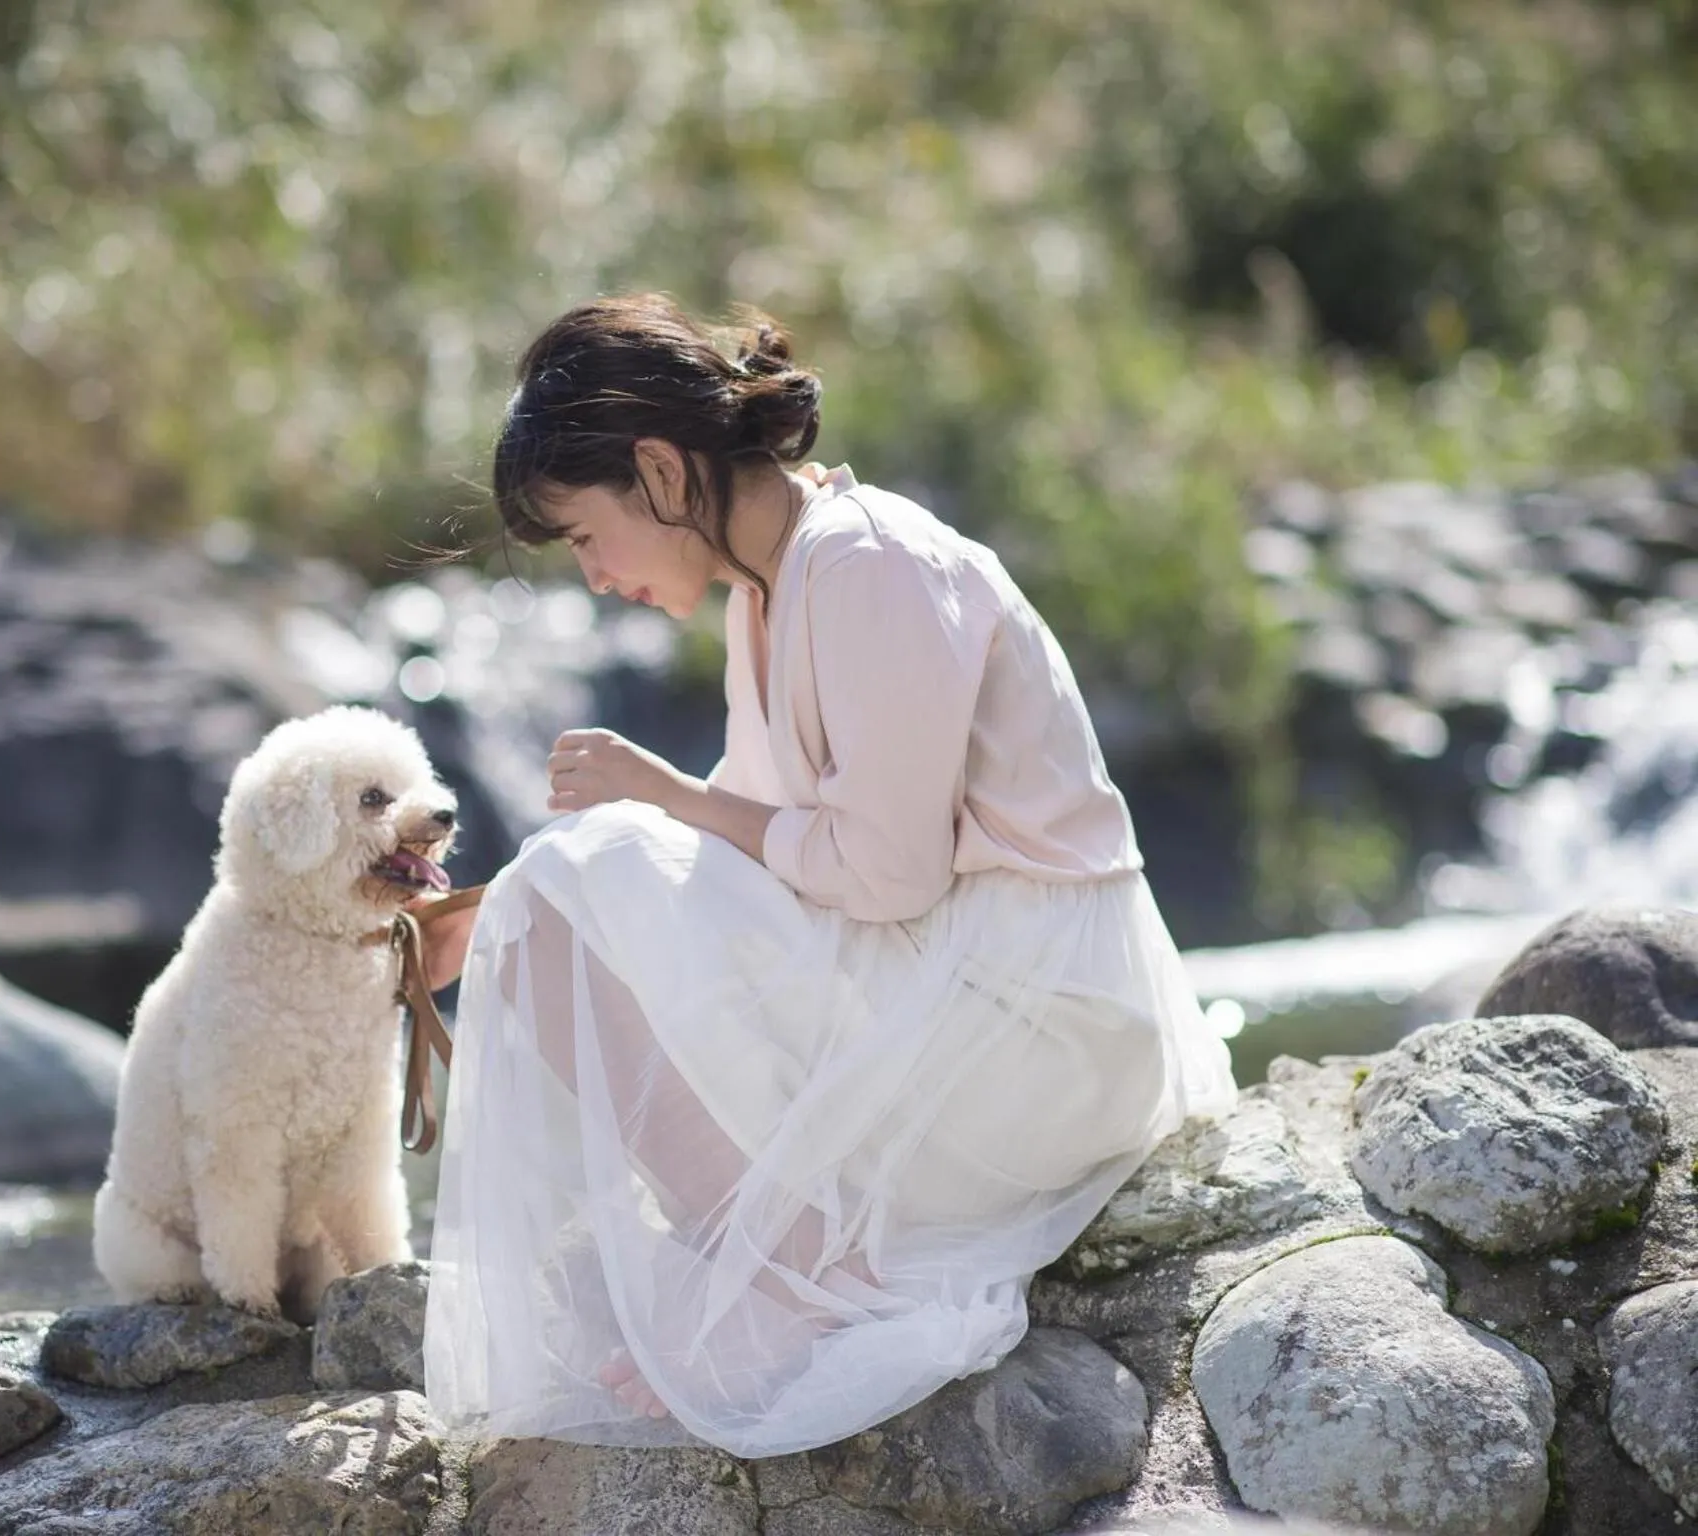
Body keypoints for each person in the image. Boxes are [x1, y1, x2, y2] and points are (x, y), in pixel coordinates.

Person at [411, 292, 1237, 1459]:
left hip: (1040, 1039)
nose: (593, 577)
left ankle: (792, 1276)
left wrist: (662, 798)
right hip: (957, 988)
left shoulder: (869, 563)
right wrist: (489, 915)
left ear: (657, 469)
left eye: (586, 537)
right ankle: (770, 1251)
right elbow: (748, 854)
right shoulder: (770, 584)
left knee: (568, 885)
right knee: (546, 905)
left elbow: (880, 873)